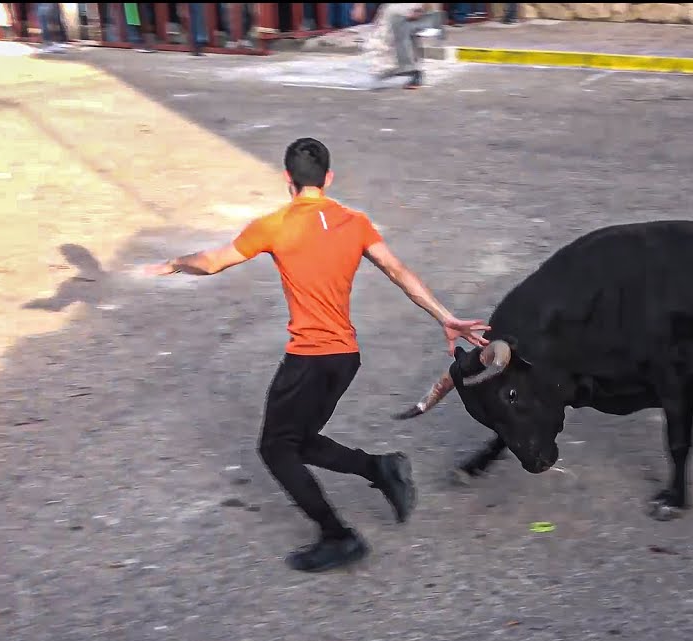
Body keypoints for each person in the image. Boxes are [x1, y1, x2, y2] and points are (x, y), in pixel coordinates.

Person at [139, 138, 490, 572]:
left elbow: (211, 262)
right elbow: (398, 271)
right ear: (328, 178)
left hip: (308, 358)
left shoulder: (275, 224)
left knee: (276, 449)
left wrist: (175, 262)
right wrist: (445, 316)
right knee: (298, 441)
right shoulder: (355, 222)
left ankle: (338, 536)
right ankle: (381, 469)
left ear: (287, 179)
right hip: (344, 359)